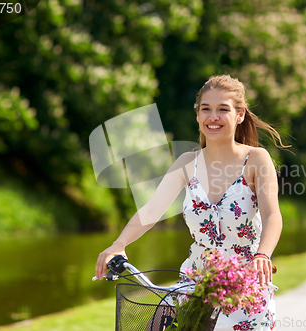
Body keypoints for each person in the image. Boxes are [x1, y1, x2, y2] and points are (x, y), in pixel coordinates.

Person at [96, 75, 290, 330]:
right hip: (195, 284)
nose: (213, 117)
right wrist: (118, 244)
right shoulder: (187, 163)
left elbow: (271, 215)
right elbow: (152, 210)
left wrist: (263, 254)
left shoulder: (256, 159)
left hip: (245, 287)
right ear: (197, 115)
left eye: (223, 109)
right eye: (206, 109)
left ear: (240, 114)